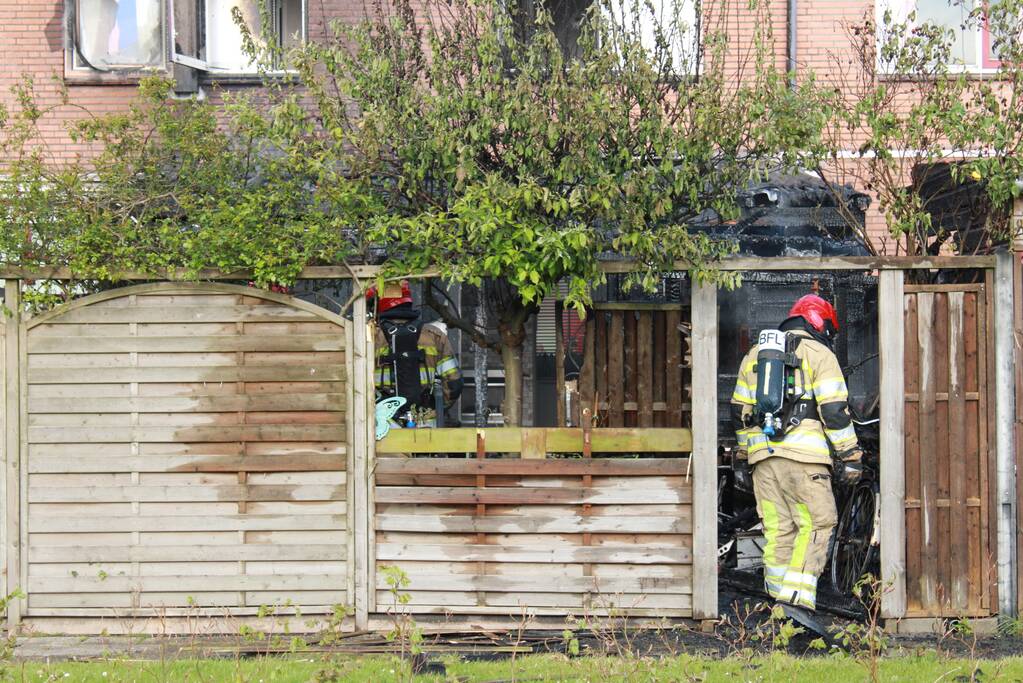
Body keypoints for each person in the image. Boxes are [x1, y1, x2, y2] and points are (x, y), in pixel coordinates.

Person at [730, 294, 863, 613]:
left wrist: (750, 455)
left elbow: (739, 412)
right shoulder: (820, 354)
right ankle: (799, 607)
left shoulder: (754, 356)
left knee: (779, 529)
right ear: (819, 322)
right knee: (817, 523)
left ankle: (779, 605)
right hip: (804, 462)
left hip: (764, 461)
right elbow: (834, 412)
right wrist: (850, 455)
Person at [368, 281, 463, 425]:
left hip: (382, 424)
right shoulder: (434, 335)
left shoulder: (369, 336)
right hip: (425, 424)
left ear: (378, 303)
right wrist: (434, 409)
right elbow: (454, 382)